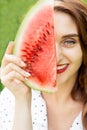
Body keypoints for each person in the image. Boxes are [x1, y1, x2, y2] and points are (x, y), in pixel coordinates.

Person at [0, 0, 87, 130]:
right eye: (43, 44)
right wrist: (22, 100)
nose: (57, 56)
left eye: (69, 42)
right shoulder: (11, 99)